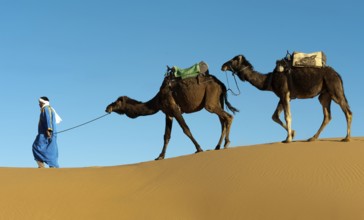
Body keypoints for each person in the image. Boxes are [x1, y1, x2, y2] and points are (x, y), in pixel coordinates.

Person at [32, 96, 62, 168]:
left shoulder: (46, 109)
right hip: (46, 133)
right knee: (50, 149)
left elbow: (48, 119)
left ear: (43, 102)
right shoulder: (47, 109)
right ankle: (49, 165)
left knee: (37, 147)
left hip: (46, 133)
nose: (39, 104)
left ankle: (48, 165)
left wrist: (49, 130)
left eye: (40, 103)